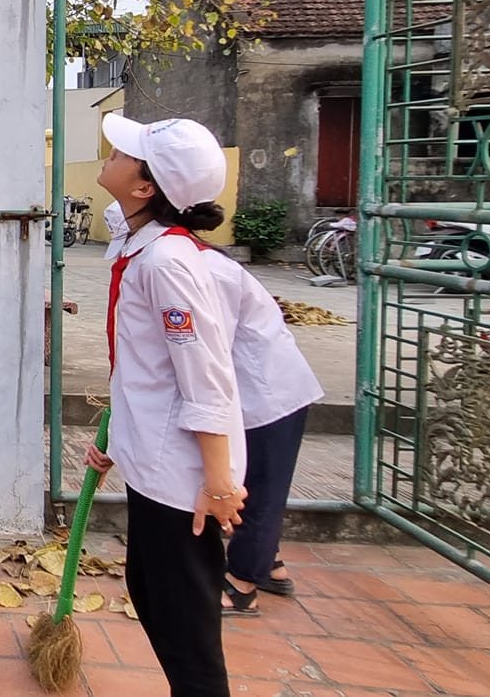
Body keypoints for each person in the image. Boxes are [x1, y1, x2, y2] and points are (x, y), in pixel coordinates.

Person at [80, 114, 245, 697]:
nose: (112, 153)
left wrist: (219, 482)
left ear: (146, 186)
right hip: (153, 467)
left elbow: (205, 375)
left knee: (187, 638)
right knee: (150, 595)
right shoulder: (142, 244)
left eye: (126, 153)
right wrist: (117, 441)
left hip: (183, 483)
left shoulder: (168, 262)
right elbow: (145, 371)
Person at [208, 254, 321, 617]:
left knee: (260, 491)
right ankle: (269, 563)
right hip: (258, 392)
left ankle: (242, 586)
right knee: (255, 484)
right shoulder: (203, 262)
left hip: (269, 395)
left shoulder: (203, 271)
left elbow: (203, 347)